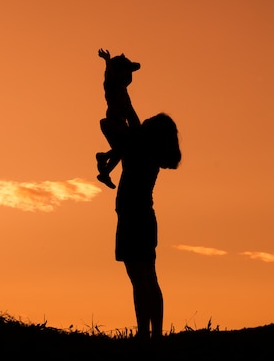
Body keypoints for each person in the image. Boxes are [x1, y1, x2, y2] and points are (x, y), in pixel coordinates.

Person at [115, 113, 182, 341]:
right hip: (144, 217)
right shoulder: (146, 150)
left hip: (133, 217)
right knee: (149, 277)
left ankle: (144, 332)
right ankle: (156, 333)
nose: (144, 122)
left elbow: (131, 118)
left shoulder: (140, 147)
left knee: (139, 279)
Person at [96, 48, 141, 189]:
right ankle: (103, 159)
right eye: (126, 71)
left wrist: (138, 128)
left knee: (122, 150)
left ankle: (105, 167)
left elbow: (132, 115)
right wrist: (108, 61)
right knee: (126, 146)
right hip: (113, 124)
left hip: (119, 125)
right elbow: (111, 77)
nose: (129, 75)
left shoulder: (123, 92)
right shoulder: (113, 86)